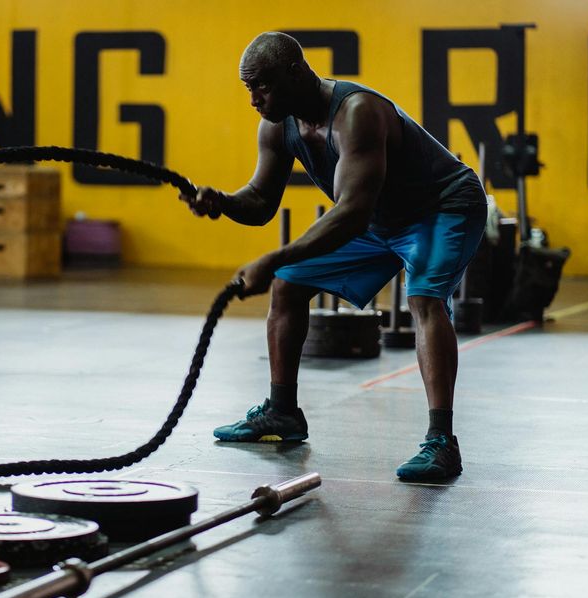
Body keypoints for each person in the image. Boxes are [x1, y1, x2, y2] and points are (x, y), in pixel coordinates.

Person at [179, 31, 487, 482]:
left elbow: (351, 214)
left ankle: (442, 442)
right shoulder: (276, 125)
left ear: (296, 72)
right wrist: (221, 202)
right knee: (288, 281)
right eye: (249, 88)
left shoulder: (357, 113)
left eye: (261, 85)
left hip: (441, 206)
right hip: (379, 219)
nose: (254, 99)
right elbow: (262, 202)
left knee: (424, 298)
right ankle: (282, 414)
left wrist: (270, 257)